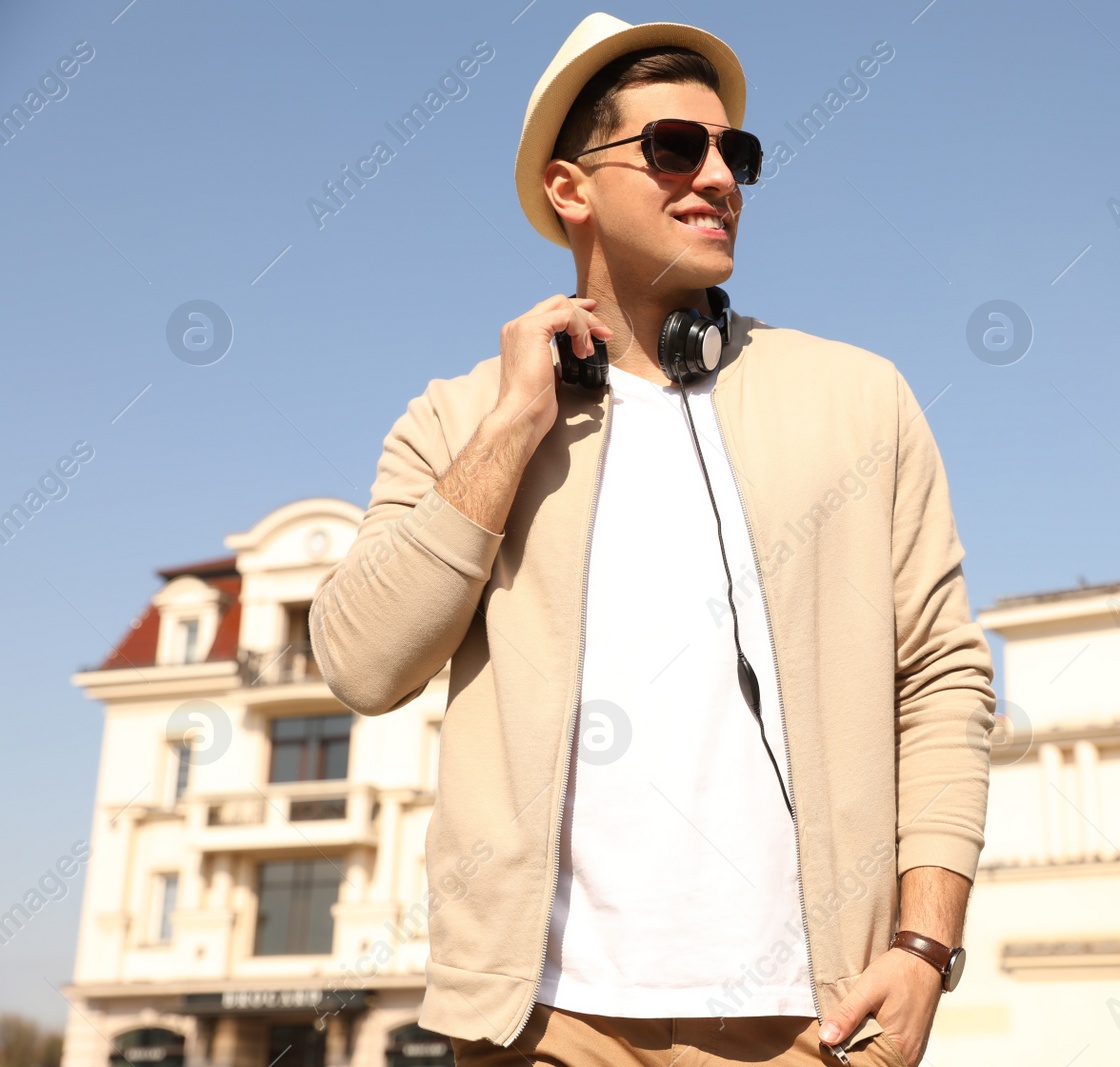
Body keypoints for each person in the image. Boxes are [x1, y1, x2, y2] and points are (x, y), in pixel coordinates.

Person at [309, 11, 994, 1066]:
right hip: (541, 1022)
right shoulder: (459, 418)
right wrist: (510, 430)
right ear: (568, 187)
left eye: (737, 153)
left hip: (812, 1017)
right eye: (676, 147)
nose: (718, 176)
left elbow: (940, 678)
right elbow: (361, 662)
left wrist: (922, 942)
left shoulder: (861, 400)